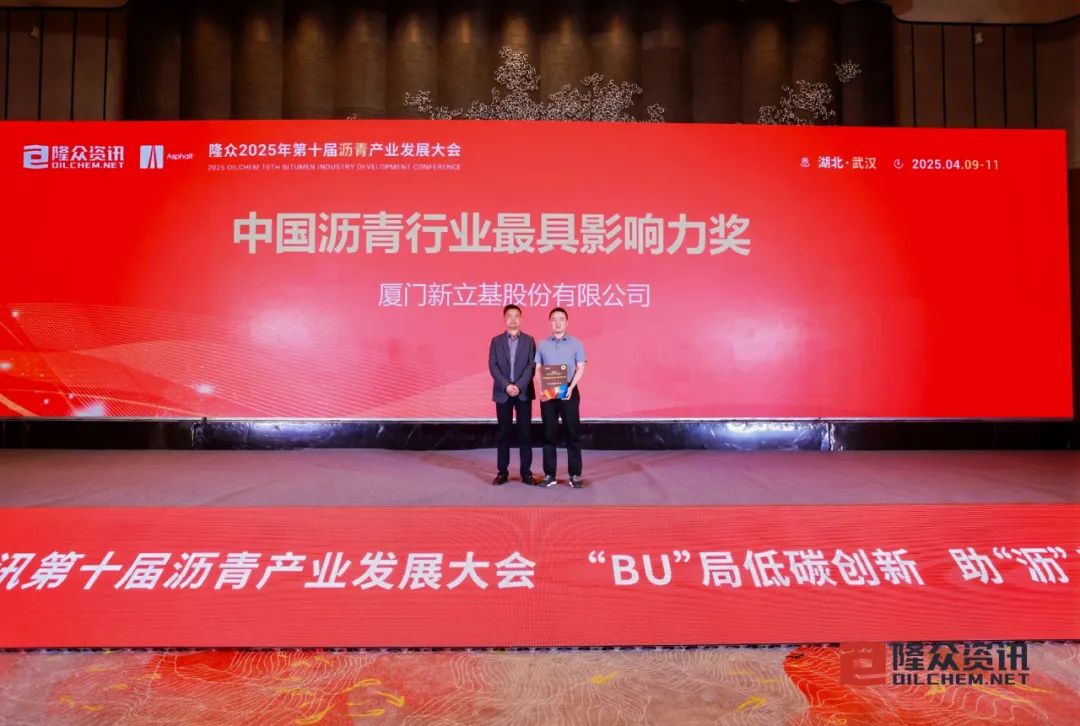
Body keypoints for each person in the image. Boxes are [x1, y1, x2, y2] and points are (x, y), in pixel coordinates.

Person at [531, 307, 586, 488]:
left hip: (569, 391)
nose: (557, 322)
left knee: (573, 433)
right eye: (554, 319)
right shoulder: (542, 344)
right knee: (548, 434)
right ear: (550, 322)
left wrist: (571, 387)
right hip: (548, 393)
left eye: (561, 319)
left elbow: (581, 367)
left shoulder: (576, 343)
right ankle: (549, 474)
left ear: (567, 322)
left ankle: (575, 474)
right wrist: (541, 388)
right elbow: (538, 368)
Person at [488, 304, 537, 485]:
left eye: (516, 316)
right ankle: (502, 472)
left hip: (523, 393)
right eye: (509, 316)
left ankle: (526, 473)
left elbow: (531, 366)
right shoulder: (496, 341)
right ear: (504, 319)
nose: (513, 319)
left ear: (521, 318)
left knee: (525, 433)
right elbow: (493, 366)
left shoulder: (529, 340)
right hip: (503, 392)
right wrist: (507, 386)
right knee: (503, 433)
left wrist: (519, 385)